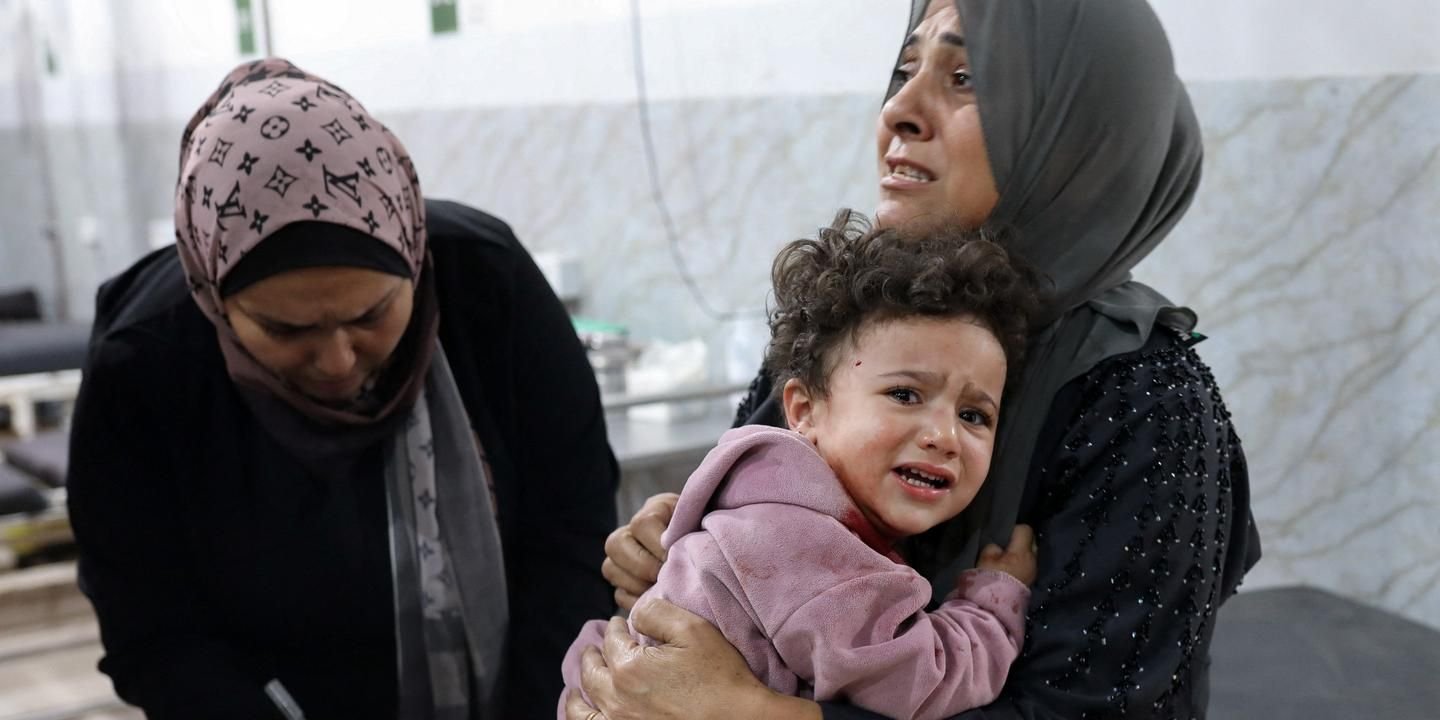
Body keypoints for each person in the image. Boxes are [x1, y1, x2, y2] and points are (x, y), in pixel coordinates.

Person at [567, 1, 1262, 718]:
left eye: (966, 77)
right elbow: (751, 535)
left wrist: (752, 713)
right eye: (905, 71)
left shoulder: (1144, 398)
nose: (899, 111)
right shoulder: (860, 322)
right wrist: (677, 538)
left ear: (1079, 136)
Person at [65, 58, 617, 720]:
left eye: (370, 315)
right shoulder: (147, 361)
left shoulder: (488, 286)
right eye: (285, 328)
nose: (336, 360)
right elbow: (152, 628)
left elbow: (573, 538)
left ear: (412, 258)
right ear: (215, 298)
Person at [561, 213, 1043, 720]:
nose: (944, 436)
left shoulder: (765, 508)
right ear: (804, 409)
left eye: (973, 415)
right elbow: (926, 683)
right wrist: (993, 602)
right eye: (905, 395)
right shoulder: (808, 549)